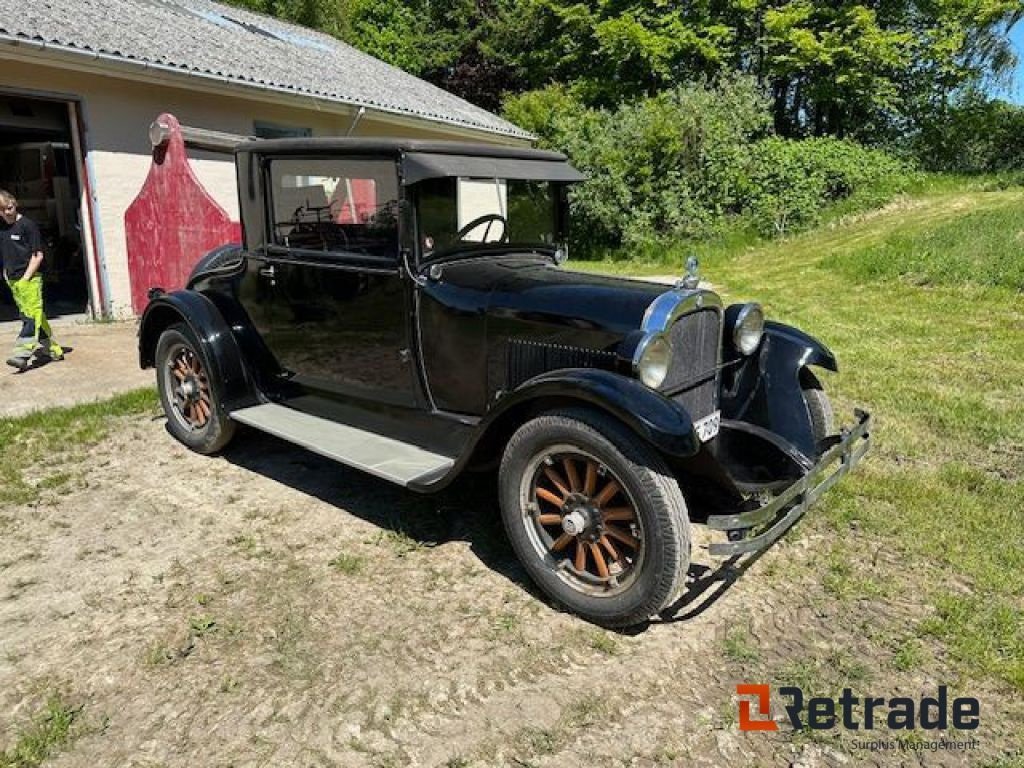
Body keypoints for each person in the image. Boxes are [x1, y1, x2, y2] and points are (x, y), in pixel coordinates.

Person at [0, 189, 64, 370]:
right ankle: (53, 350)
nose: (7, 212)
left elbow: (38, 255)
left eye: (9, 208)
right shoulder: (3, 229)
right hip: (12, 280)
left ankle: (21, 353)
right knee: (35, 316)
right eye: (2, 210)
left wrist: (26, 278)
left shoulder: (28, 226)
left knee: (29, 316)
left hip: (30, 278)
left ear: (15, 203)